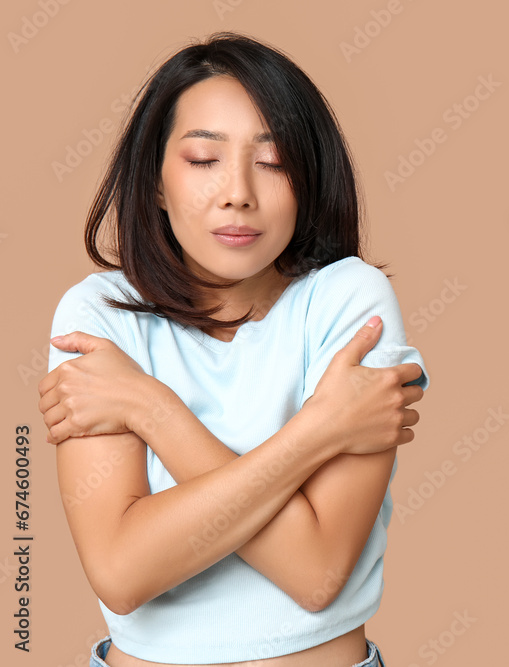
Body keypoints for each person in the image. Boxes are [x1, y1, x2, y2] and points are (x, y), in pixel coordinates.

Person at [36, 32, 429, 667]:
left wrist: (150, 409)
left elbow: (317, 573)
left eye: (273, 162)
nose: (238, 192)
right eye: (202, 159)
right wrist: (317, 433)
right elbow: (121, 571)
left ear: (308, 180)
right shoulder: (97, 315)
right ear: (157, 183)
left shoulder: (348, 302)